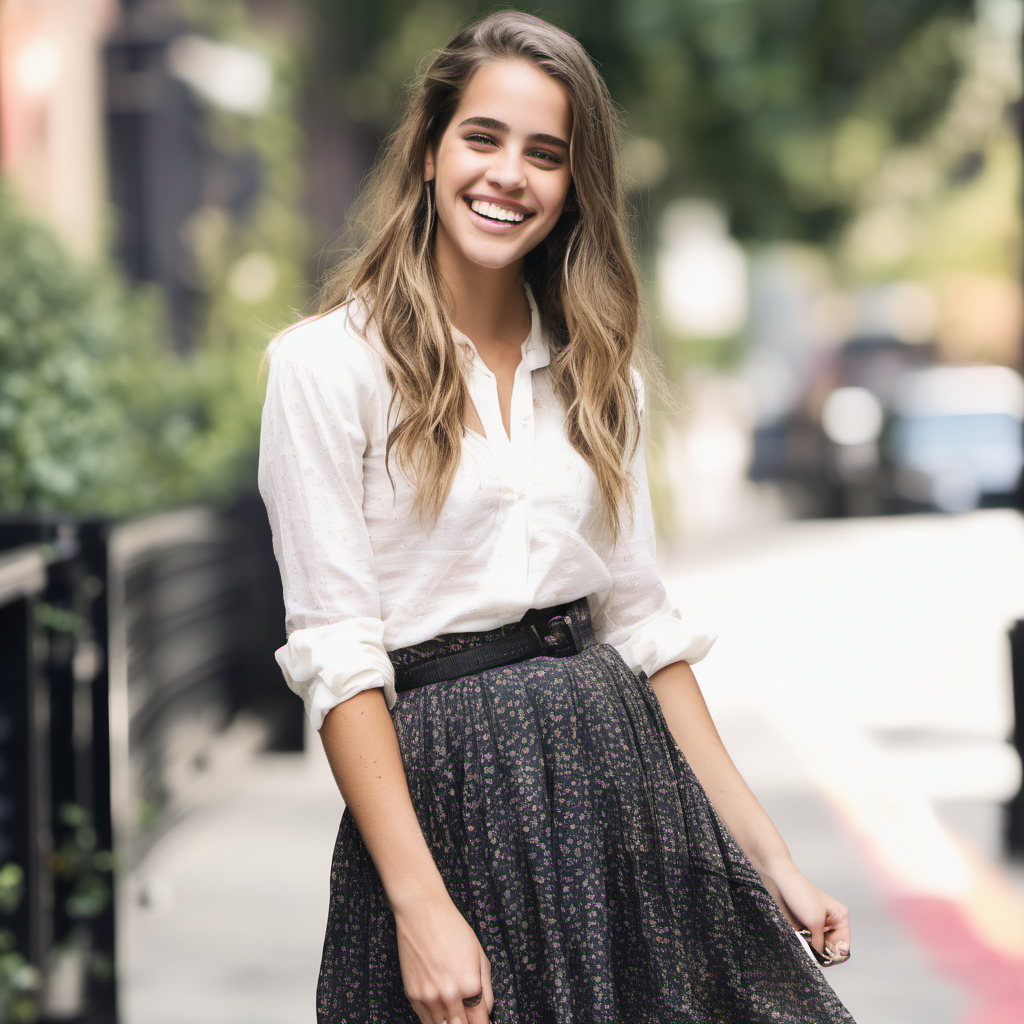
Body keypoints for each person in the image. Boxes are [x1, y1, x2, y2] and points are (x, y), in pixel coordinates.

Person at [259, 11, 855, 1024]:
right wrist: (420, 905)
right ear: (431, 149)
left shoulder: (596, 365)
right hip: (442, 797)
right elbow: (338, 655)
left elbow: (642, 629)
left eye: (546, 154)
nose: (508, 176)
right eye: (482, 138)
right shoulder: (326, 366)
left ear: (575, 185)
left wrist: (770, 857)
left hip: (619, 785)